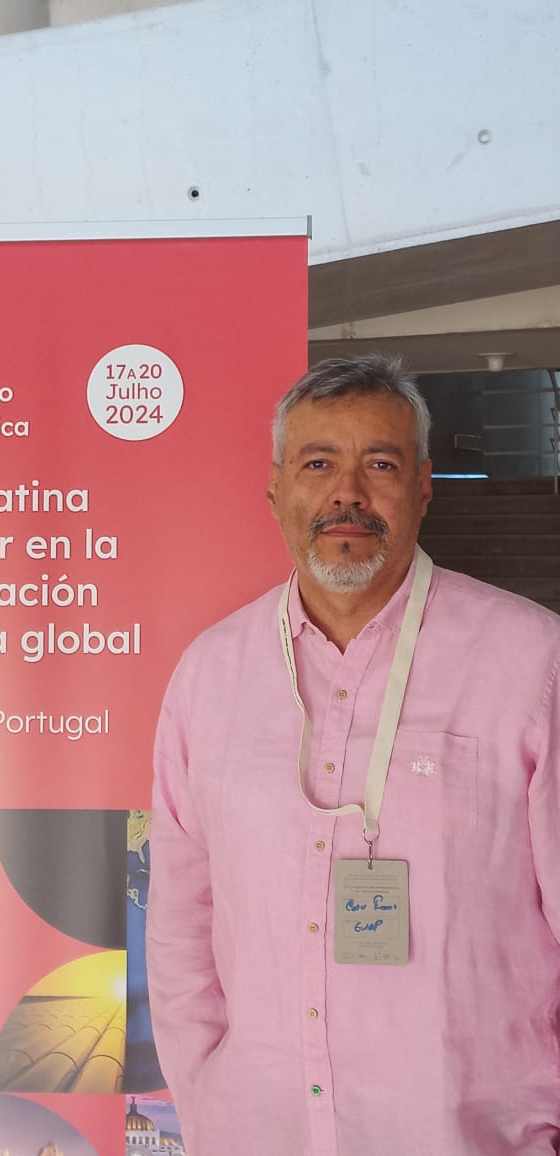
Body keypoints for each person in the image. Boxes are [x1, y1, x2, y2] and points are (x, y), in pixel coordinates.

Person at [146, 355, 560, 1156]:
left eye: (379, 464)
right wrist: (206, 1097)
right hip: (258, 1131)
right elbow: (179, 924)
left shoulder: (530, 662)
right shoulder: (210, 674)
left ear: (423, 487)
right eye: (317, 464)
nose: (347, 493)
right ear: (275, 490)